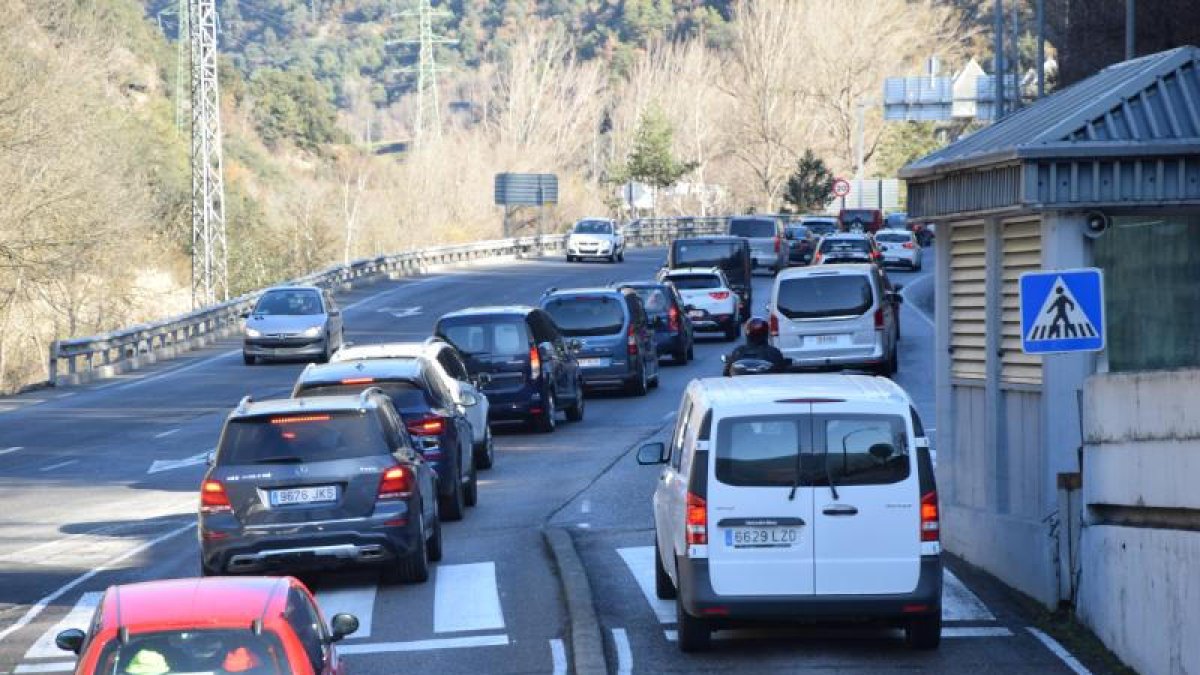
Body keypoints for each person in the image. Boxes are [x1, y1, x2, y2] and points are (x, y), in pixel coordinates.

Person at [723, 316, 787, 376]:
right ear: (766, 333)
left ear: (747, 333)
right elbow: (782, 373)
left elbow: (726, 373)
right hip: (765, 385)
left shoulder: (738, 351)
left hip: (758, 385)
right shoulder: (774, 352)